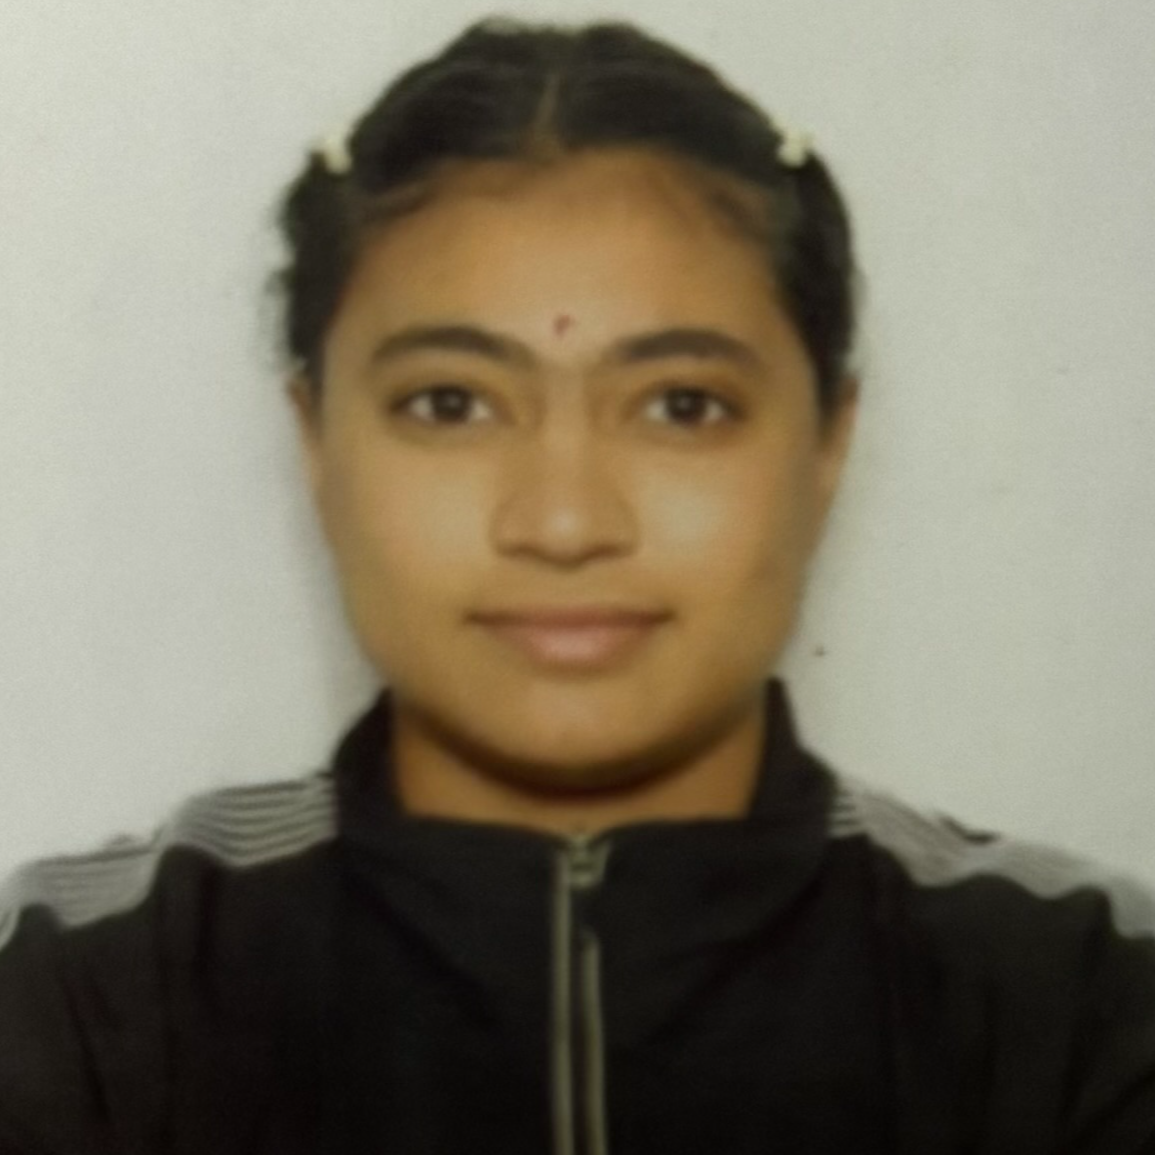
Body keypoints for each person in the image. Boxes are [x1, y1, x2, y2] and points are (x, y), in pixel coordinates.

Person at [1, 16, 1153, 1155]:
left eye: (682, 407)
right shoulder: (80, 991)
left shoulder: (1083, 994)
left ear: (827, 446)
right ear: (315, 441)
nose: (563, 524)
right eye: (450, 405)